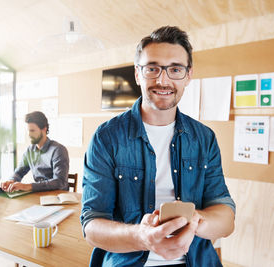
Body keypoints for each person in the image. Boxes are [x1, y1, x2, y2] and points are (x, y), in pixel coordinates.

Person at [81, 26, 235, 267]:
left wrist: (195, 220)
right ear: (137, 74)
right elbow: (92, 226)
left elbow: (226, 219)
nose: (163, 80)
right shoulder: (106, 138)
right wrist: (142, 237)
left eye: (175, 69)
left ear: (188, 75)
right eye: (152, 69)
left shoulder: (204, 138)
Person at [1, 111, 69, 192]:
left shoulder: (58, 150)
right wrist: (12, 181)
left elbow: (59, 182)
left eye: (32, 131)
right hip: (38, 195)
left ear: (44, 129)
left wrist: (29, 186)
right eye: (28, 131)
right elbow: (19, 172)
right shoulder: (29, 151)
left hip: (57, 197)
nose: (29, 135)